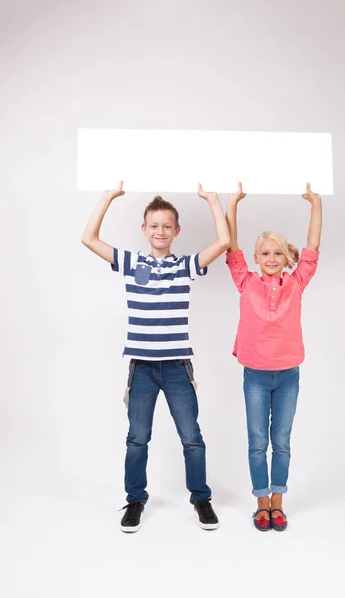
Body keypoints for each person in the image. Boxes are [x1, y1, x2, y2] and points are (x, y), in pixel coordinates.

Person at [81, 181, 230, 532]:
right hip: (142, 368)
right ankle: (135, 500)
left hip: (178, 366)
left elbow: (223, 243)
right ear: (144, 229)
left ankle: (200, 498)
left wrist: (212, 200)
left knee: (191, 436)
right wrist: (107, 197)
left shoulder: (186, 266)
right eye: (154, 225)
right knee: (137, 438)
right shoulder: (132, 263)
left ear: (176, 231)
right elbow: (89, 239)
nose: (160, 231)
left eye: (167, 226)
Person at [225, 182, 322, 531]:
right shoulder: (245, 281)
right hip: (255, 374)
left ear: (286, 258)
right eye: (264, 253)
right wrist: (232, 204)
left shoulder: (296, 283)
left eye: (277, 254)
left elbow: (312, 248)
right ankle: (260, 503)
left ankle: (278, 504)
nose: (270, 259)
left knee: (281, 441)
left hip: (288, 375)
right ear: (256, 258)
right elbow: (231, 245)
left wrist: (315, 204)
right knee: (257, 442)